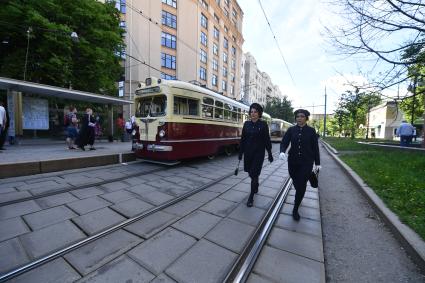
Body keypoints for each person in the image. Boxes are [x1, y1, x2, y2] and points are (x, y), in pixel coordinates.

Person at [279, 109, 320, 221]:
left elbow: (315, 148)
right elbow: (285, 142)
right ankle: (299, 195)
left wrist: (318, 163)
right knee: (297, 184)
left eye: (302, 116)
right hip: (293, 162)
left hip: (306, 162)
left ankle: (295, 209)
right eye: (297, 116)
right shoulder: (291, 130)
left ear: (306, 118)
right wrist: (282, 151)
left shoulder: (311, 131)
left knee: (301, 186)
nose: (299, 118)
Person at [238, 103, 273, 207]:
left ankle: (251, 197)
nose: (253, 114)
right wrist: (240, 153)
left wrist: (270, 153)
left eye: (255, 112)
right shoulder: (246, 124)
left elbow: (267, 140)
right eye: (251, 112)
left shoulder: (263, 125)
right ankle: (256, 183)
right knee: (251, 173)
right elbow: (243, 139)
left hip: (258, 154)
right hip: (248, 153)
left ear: (259, 113)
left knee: (254, 173)